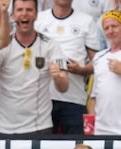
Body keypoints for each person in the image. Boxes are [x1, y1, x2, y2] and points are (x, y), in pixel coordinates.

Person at [0, 0, 68, 135]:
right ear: (13, 15)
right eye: (20, 10)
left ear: (36, 15)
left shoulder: (51, 45)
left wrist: (57, 77)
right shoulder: (2, 44)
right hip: (4, 126)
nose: (24, 14)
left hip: (39, 127)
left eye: (29, 10)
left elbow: (64, 87)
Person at [35, 0, 102, 134]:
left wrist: (82, 70)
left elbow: (98, 62)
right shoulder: (38, 19)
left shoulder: (87, 21)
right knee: (42, 148)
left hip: (74, 99)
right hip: (42, 99)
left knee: (75, 148)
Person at [88, 10, 121, 135]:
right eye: (106, 28)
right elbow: (94, 96)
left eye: (114, 26)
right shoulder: (99, 57)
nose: (110, 31)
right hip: (101, 130)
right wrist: (92, 124)